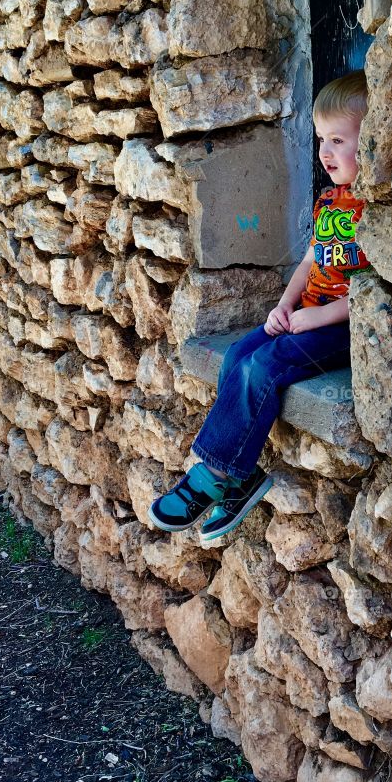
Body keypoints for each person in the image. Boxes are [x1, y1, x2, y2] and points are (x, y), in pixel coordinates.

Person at [149, 70, 370, 541]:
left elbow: (371, 293)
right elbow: (311, 263)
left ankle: (211, 477)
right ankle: (241, 476)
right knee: (237, 355)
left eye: (338, 140)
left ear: (370, 142)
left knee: (263, 367)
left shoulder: (376, 211)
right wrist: (286, 305)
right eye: (320, 141)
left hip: (340, 327)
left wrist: (320, 316)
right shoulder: (330, 203)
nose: (325, 153)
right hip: (307, 315)